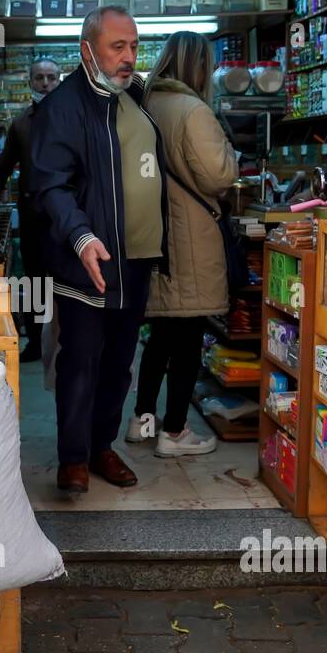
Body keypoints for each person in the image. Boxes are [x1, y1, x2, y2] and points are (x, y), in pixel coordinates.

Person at [30, 5, 168, 494]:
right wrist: (82, 236)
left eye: (134, 46)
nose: (129, 57)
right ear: (87, 50)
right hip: (85, 258)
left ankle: (102, 446)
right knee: (82, 359)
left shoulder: (133, 97)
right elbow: (51, 186)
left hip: (134, 259)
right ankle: (73, 458)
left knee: (120, 360)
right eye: (118, 47)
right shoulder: (63, 107)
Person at [127, 32, 239, 457]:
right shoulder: (193, 110)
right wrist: (231, 154)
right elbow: (218, 176)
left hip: (154, 235)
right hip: (190, 236)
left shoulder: (144, 105)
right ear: (198, 66)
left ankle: (142, 420)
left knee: (160, 335)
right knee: (188, 336)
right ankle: (174, 432)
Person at [0, 57, 61, 362]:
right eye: (40, 78)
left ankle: (71, 343)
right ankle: (36, 342)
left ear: (59, 81)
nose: (46, 84)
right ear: (30, 82)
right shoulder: (22, 123)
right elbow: (4, 167)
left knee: (69, 280)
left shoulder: (74, 119)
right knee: (37, 282)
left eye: (51, 77)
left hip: (70, 218)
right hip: (35, 216)